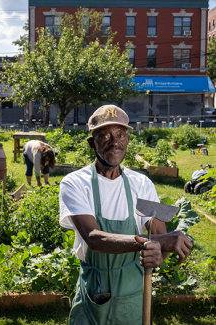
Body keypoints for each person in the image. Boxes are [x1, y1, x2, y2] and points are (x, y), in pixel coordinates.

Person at [59, 105, 192, 325]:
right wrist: (159, 242)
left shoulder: (141, 184)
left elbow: (158, 235)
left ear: (128, 140)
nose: (115, 142)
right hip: (95, 288)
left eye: (120, 135)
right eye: (105, 136)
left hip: (134, 290)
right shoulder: (75, 183)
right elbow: (94, 238)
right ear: (92, 143)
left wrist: (159, 255)